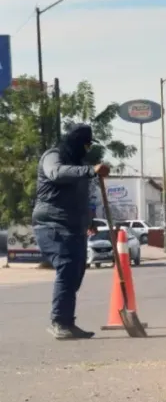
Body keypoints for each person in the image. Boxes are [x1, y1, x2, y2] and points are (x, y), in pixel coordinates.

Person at [32, 124, 110, 340]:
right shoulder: (53, 156)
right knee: (66, 267)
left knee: (76, 272)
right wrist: (90, 170)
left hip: (74, 227)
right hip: (51, 224)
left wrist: (89, 220)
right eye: (85, 145)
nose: (86, 150)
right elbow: (56, 173)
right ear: (76, 143)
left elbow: (80, 198)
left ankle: (67, 321)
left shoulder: (79, 165)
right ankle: (59, 322)